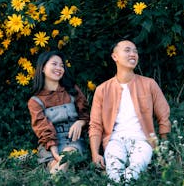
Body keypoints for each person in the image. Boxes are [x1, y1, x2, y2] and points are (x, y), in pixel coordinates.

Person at [89, 39, 171, 183]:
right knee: (114, 175)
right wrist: (95, 154)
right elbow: (95, 125)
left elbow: (163, 116)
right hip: (114, 141)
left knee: (134, 172)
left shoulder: (149, 84)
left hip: (143, 140)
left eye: (135, 51)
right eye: (127, 50)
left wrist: (162, 149)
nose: (133, 54)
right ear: (115, 57)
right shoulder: (102, 90)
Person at [28, 50, 89, 174]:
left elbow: (87, 115)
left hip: (73, 140)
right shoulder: (35, 101)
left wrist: (80, 123)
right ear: (43, 68)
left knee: (66, 157)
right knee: (57, 167)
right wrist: (53, 149)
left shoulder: (72, 91)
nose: (59, 68)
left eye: (61, 65)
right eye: (54, 64)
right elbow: (42, 127)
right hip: (49, 143)